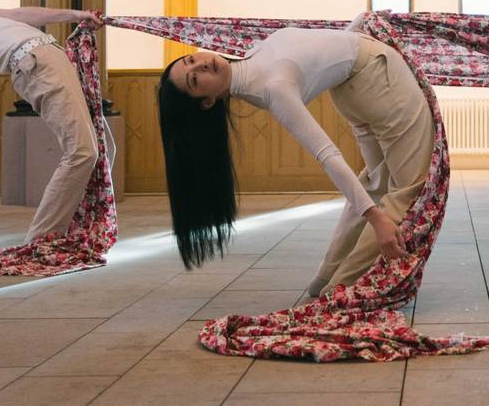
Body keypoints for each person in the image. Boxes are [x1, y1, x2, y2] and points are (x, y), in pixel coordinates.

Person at [157, 25, 434, 292]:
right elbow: (328, 155)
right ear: (207, 102)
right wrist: (377, 220)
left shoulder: (253, 56)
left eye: (192, 59)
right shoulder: (275, 87)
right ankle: (341, 290)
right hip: (376, 75)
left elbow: (317, 47)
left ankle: (327, 277)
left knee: (377, 183)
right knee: (408, 189)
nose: (200, 66)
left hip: (353, 88)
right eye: (195, 79)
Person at [0, 5, 104, 243]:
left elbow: (18, 14)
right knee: (83, 152)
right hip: (34, 62)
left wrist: (77, 16)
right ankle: (39, 244)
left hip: (47, 55)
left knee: (97, 149)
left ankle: (73, 234)